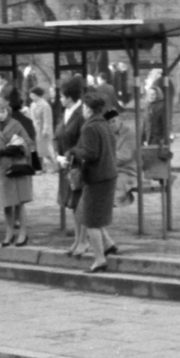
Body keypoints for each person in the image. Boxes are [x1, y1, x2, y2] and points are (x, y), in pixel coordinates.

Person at [69, 89, 119, 272]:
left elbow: (90, 153)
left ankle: (99, 259)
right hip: (109, 174)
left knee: (91, 221)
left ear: (89, 109)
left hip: (97, 177)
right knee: (84, 211)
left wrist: (74, 152)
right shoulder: (104, 124)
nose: (82, 109)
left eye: (84, 107)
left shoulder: (89, 127)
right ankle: (108, 245)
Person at [0, 97, 35, 247]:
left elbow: (29, 142)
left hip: (17, 166)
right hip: (1, 168)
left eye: (3, 111)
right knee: (6, 204)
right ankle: (9, 232)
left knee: (19, 203)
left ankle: (23, 233)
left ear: (8, 111)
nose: (0, 114)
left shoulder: (16, 125)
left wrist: (19, 147)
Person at [54, 77, 89, 258]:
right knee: (72, 204)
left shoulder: (81, 114)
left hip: (78, 167)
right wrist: (58, 156)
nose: (60, 99)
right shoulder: (65, 113)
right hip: (65, 166)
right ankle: (77, 239)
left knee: (79, 205)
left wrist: (68, 157)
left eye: (62, 96)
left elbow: (83, 142)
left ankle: (83, 240)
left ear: (69, 97)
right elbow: (57, 135)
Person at [28, 87, 56, 173]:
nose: (32, 97)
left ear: (38, 96)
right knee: (37, 150)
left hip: (43, 129)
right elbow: (31, 117)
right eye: (31, 95)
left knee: (46, 149)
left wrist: (45, 130)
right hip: (35, 129)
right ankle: (41, 167)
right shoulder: (32, 105)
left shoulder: (45, 105)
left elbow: (47, 119)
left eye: (33, 96)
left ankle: (55, 165)